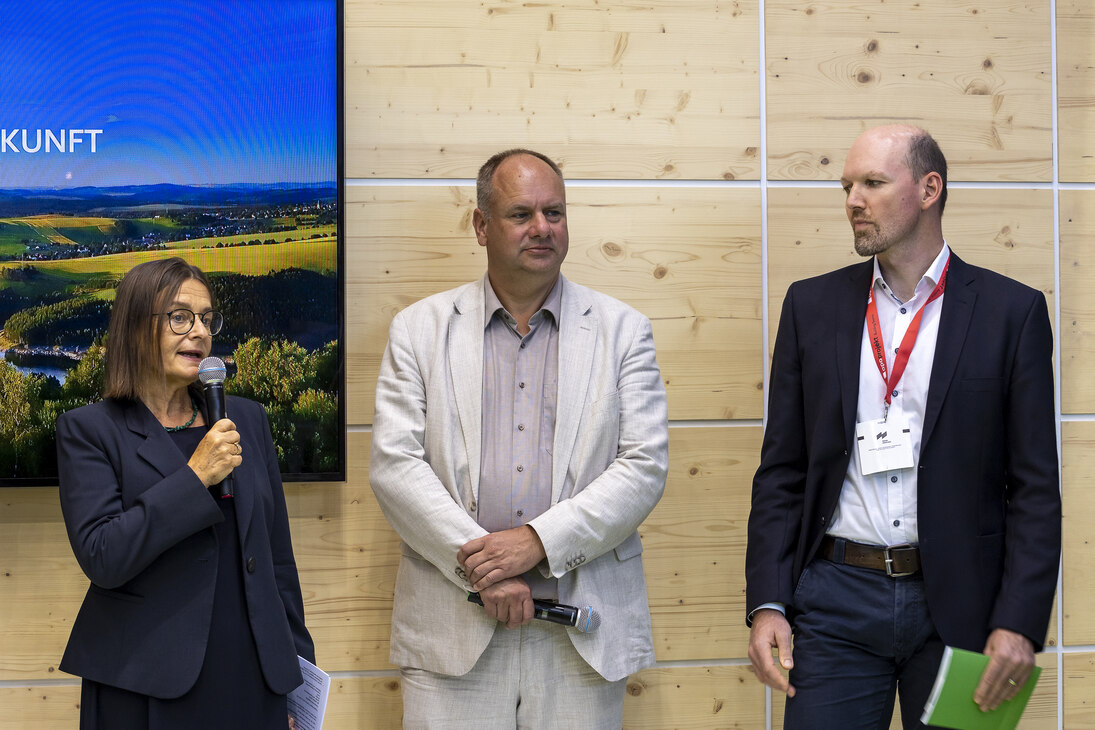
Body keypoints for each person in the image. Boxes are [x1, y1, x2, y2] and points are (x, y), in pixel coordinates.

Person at [745, 125, 1062, 728]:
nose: (852, 201)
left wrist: (1020, 620)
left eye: (872, 182)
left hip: (965, 607)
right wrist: (767, 602)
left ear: (928, 188)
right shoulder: (810, 307)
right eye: (846, 186)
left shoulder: (1011, 313)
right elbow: (782, 470)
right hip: (834, 599)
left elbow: (1034, 488)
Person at [370, 148, 669, 728]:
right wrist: (489, 571)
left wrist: (536, 542)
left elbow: (643, 467)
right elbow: (395, 467)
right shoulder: (419, 330)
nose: (542, 228)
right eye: (521, 214)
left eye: (554, 213)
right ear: (481, 226)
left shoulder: (624, 331)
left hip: (582, 629)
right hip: (452, 631)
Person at [56, 257, 314, 729]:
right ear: (137, 328)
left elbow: (277, 561)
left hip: (253, 675)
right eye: (180, 317)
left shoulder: (247, 419)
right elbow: (103, 555)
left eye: (206, 318)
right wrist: (195, 478)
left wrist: (296, 680)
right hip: (145, 682)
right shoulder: (89, 430)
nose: (199, 332)